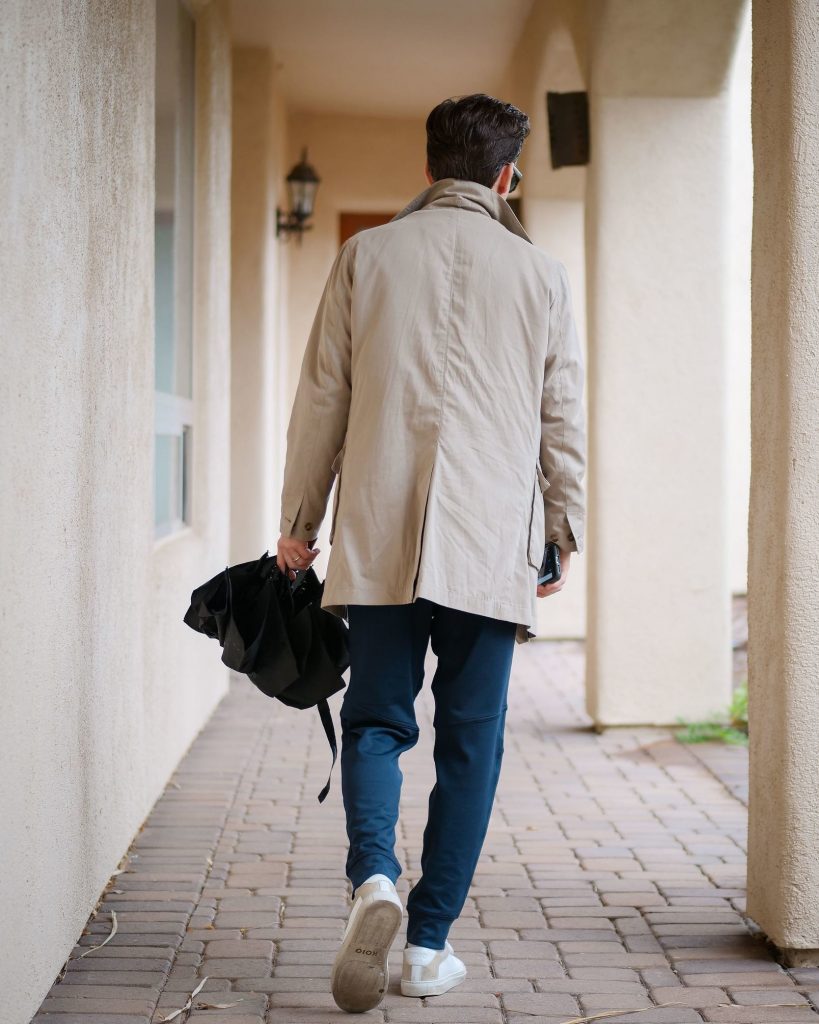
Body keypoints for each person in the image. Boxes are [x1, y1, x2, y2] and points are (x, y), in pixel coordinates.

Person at [276, 92, 586, 1014]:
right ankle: (426, 946)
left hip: (378, 533)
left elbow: (319, 403)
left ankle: (373, 877)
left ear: (427, 170)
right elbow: (558, 418)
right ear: (504, 177)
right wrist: (561, 527)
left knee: (375, 723)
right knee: (472, 744)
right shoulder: (540, 274)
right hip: (490, 541)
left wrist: (299, 523)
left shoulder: (364, 255)